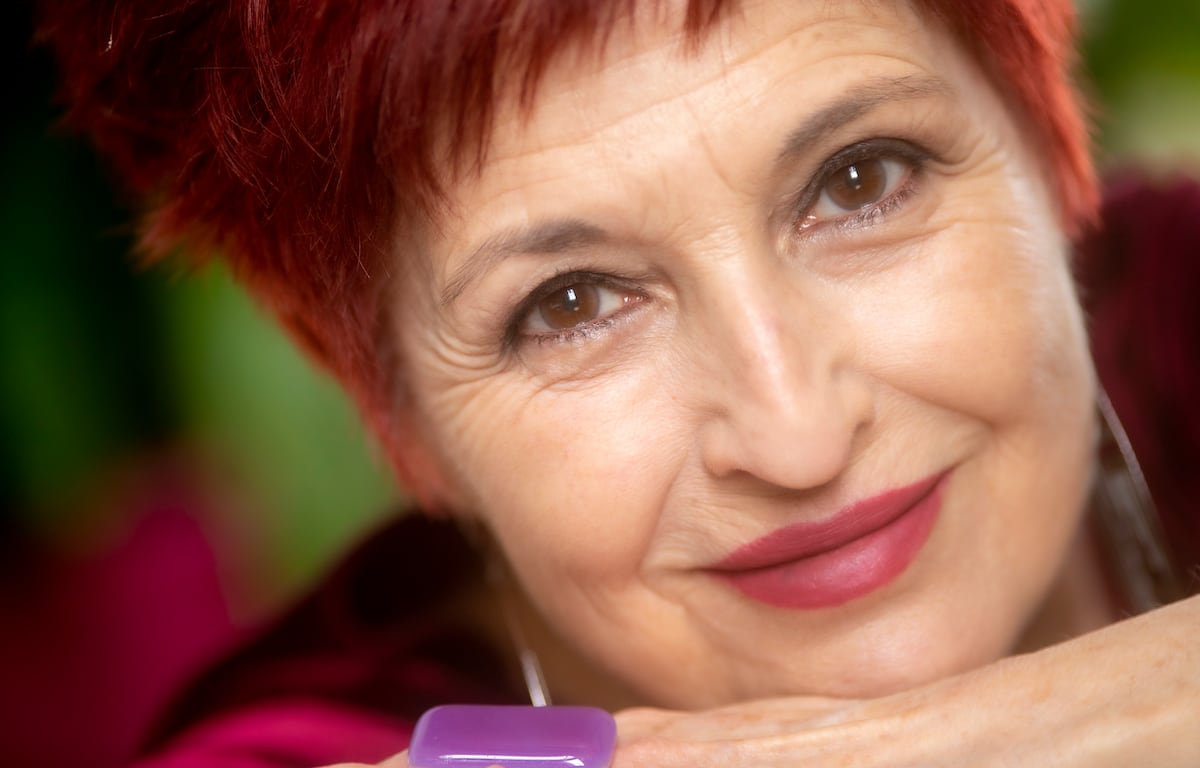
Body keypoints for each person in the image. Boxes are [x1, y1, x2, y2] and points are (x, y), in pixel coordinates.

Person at [36, 0, 1199, 765]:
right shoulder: (294, 744)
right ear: (384, 396)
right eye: (571, 304)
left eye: (860, 180)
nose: (795, 435)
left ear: (1050, 143)